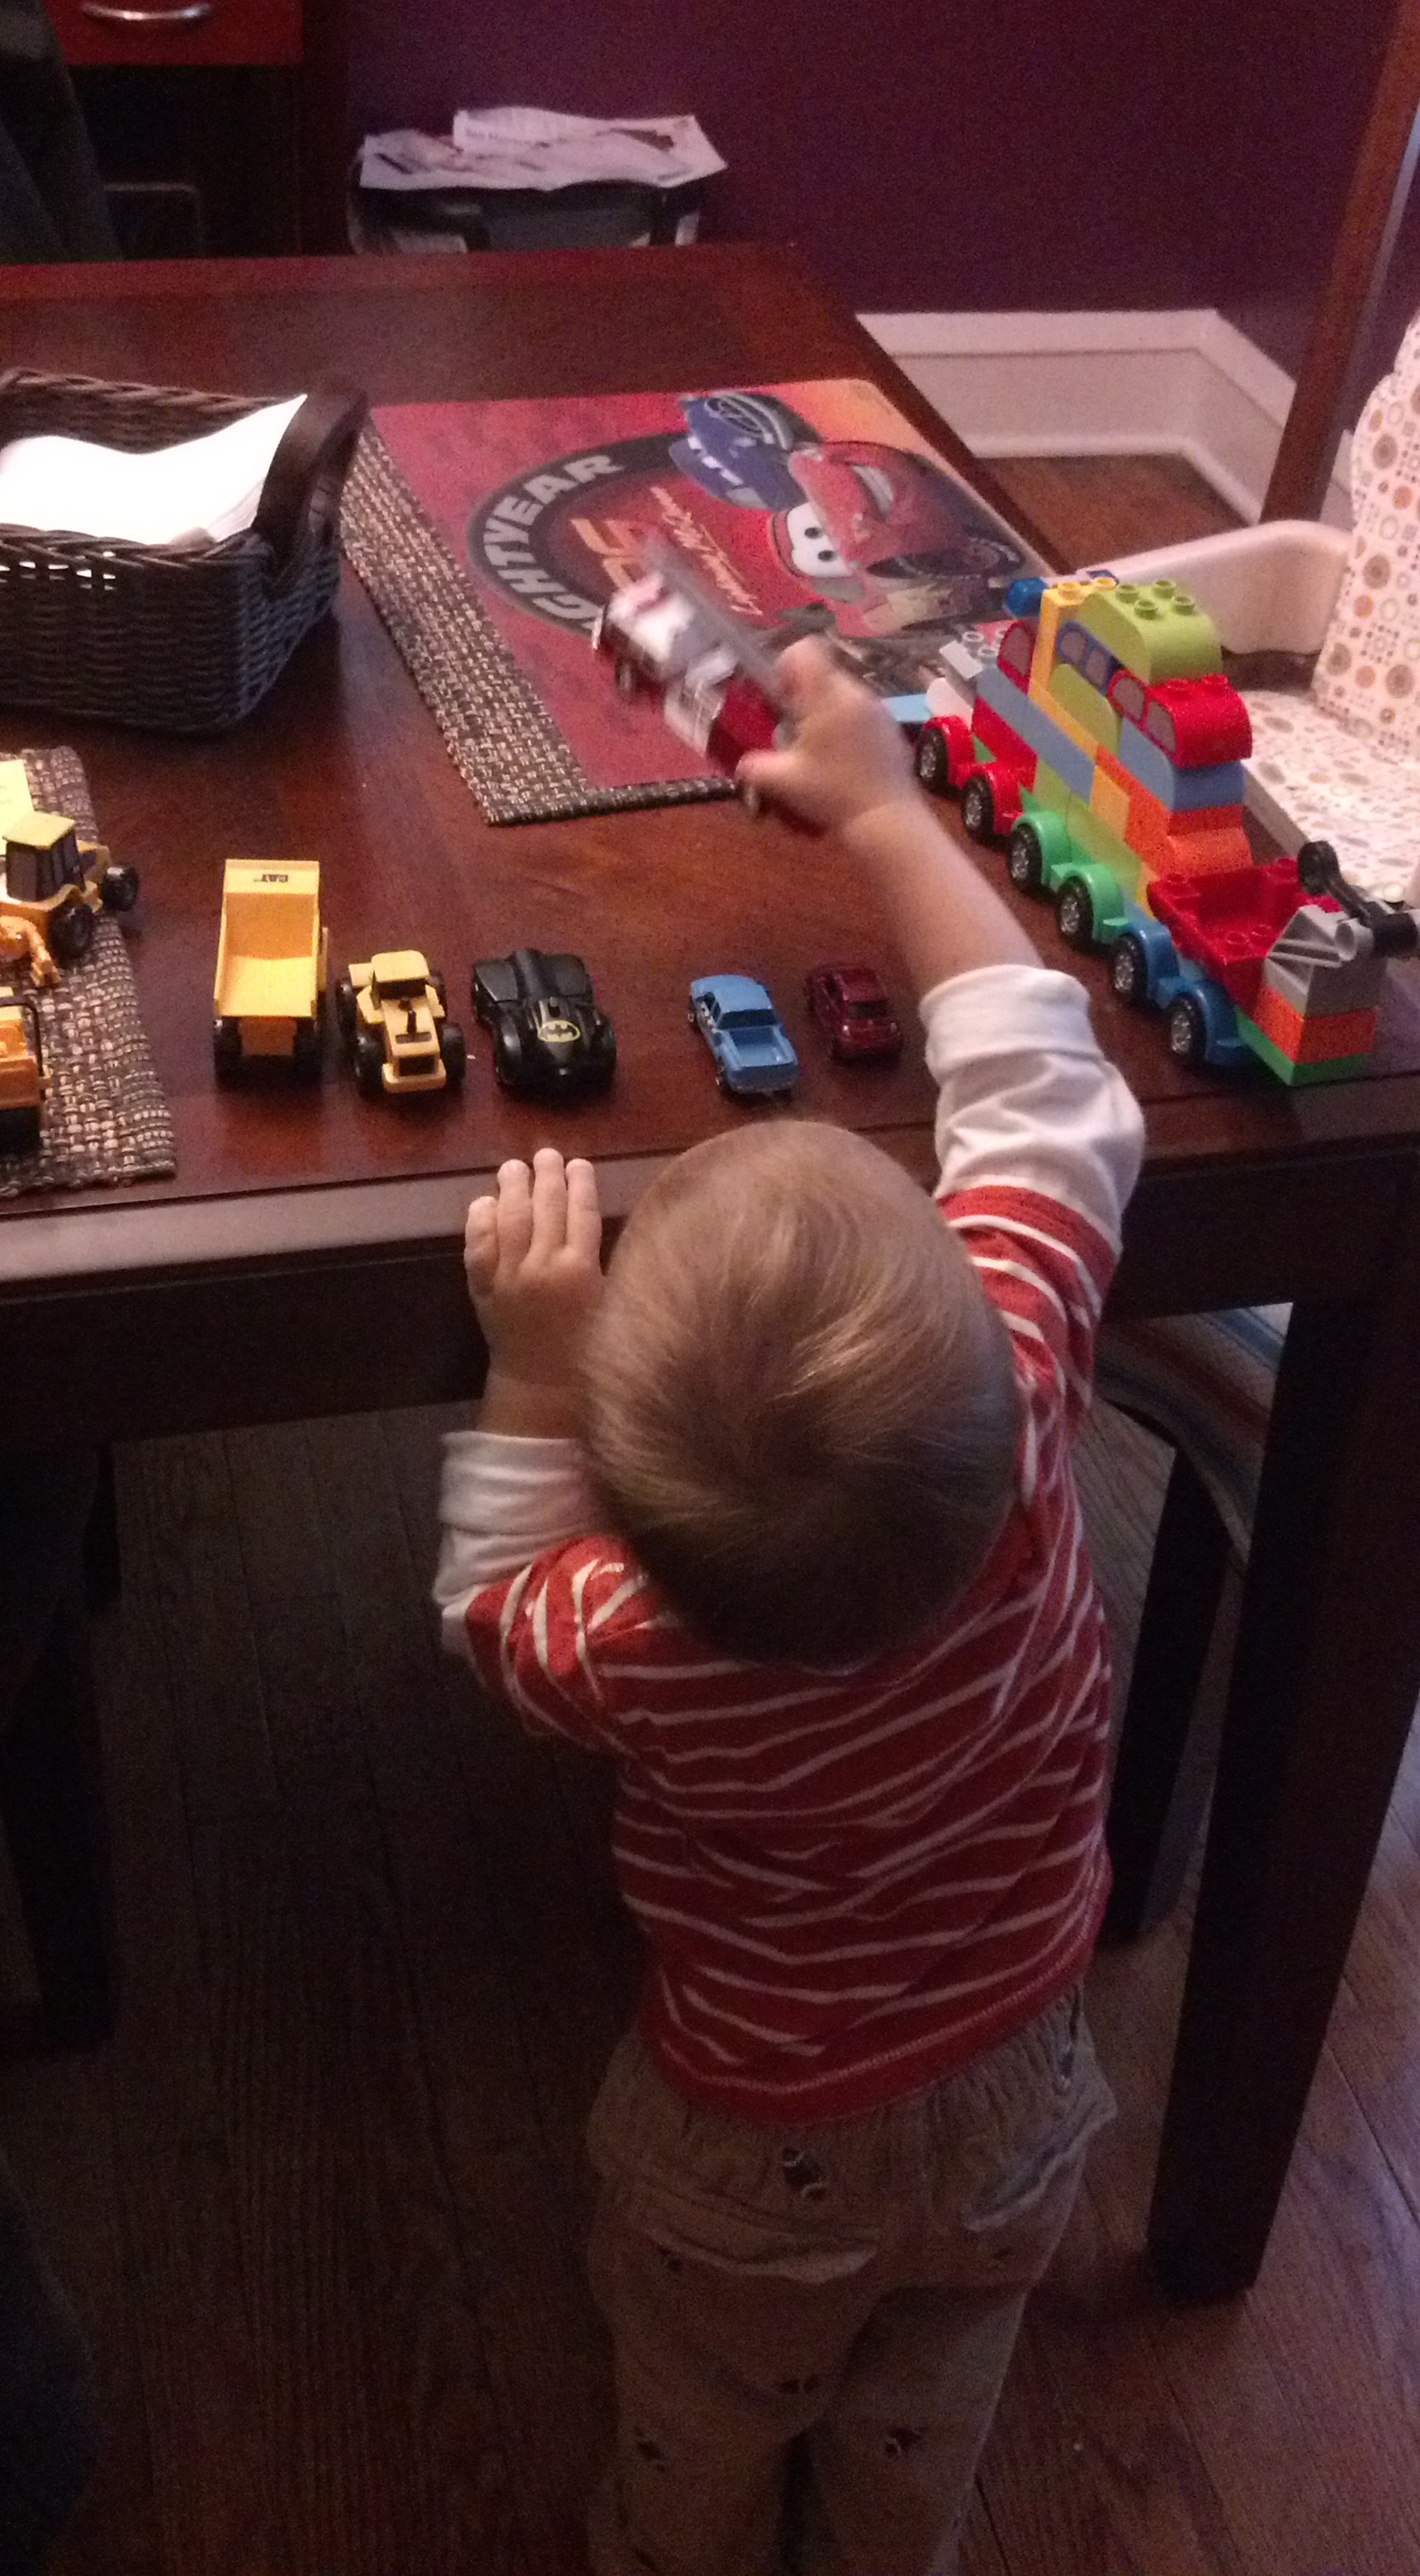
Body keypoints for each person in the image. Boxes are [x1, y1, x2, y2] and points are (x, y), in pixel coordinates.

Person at [434, 638, 1145, 2576]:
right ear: (979, 1301)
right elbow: (1032, 1077)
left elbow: (494, 1610)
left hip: (744, 2147)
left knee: (697, 2423)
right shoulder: (1017, 1399)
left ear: (625, 1503)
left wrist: (532, 1363)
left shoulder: (626, 1640)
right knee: (927, 2409)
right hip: (1021, 2074)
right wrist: (888, 815)